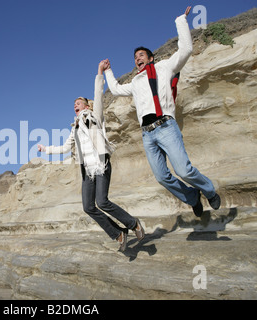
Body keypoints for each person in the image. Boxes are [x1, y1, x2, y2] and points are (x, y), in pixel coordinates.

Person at [103, 6, 221, 217]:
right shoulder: (135, 82)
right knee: (161, 177)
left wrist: (181, 21)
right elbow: (115, 89)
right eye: (134, 57)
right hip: (147, 134)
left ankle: (209, 191)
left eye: (141, 55)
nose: (137, 58)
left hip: (165, 125)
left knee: (183, 170)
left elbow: (185, 50)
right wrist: (108, 71)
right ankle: (193, 197)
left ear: (150, 58)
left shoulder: (164, 67)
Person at [38, 60, 144, 251]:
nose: (75, 106)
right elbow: (64, 148)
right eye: (73, 105)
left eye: (78, 103)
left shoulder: (95, 117)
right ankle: (118, 233)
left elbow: (98, 94)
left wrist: (99, 72)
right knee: (88, 207)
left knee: (102, 201)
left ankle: (133, 223)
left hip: (101, 163)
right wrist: (46, 149)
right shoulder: (75, 128)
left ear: (86, 106)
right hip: (87, 169)